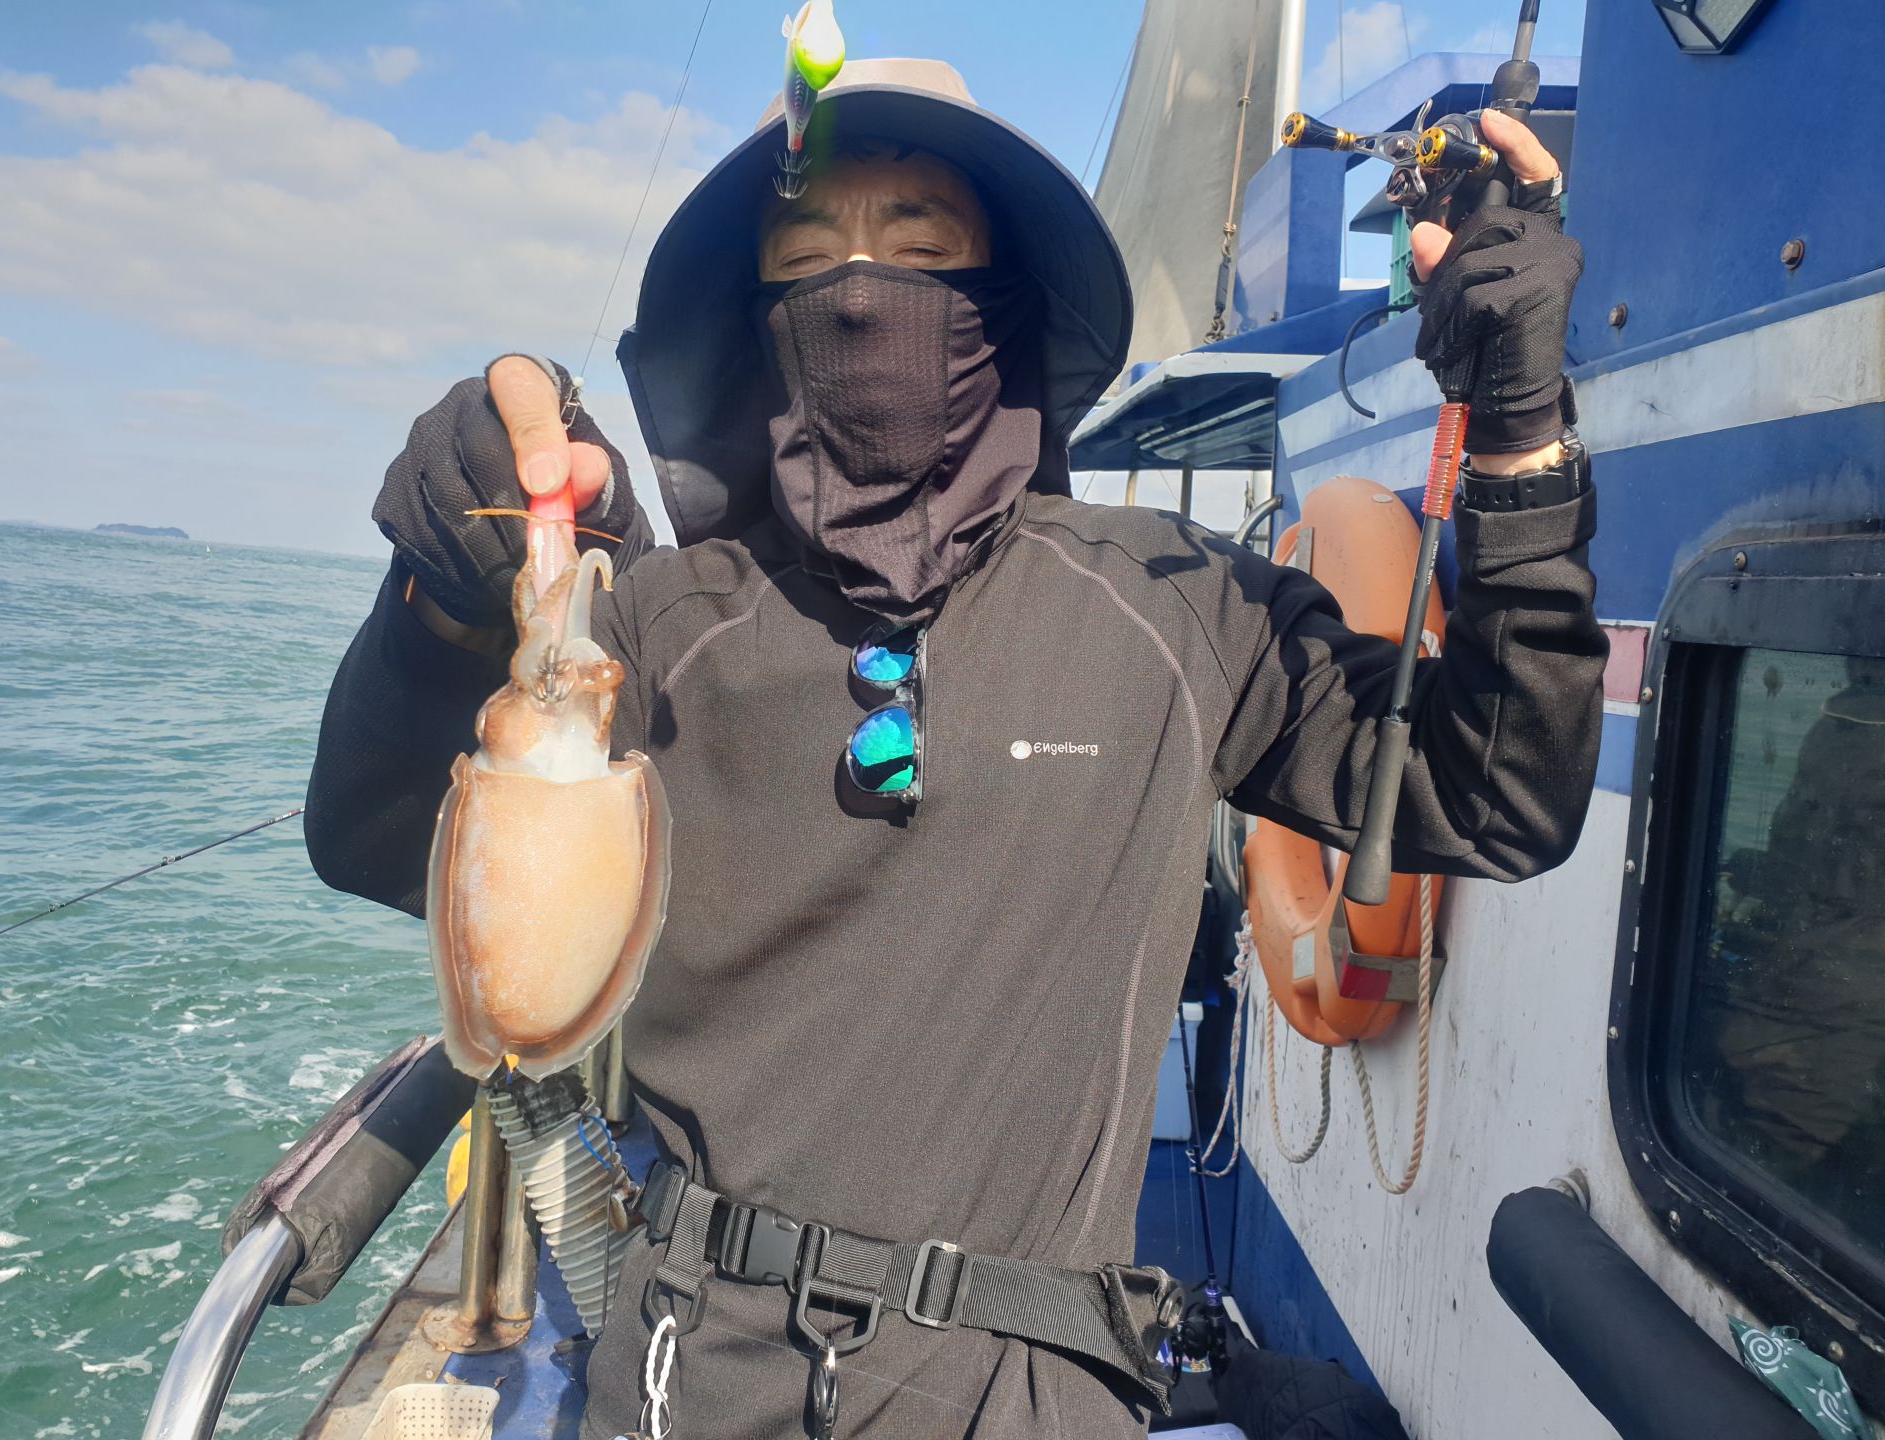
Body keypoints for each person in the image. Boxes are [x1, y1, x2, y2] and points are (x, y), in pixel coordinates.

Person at [307, 58, 1604, 1440]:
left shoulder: (1182, 608)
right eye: (807, 258)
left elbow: (1495, 795)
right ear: (757, 321)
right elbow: (382, 836)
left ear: (1008, 300)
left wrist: (1519, 436)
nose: (862, 292)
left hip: (1032, 1395)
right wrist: (445, 598)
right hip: (690, 1379)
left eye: (923, 250)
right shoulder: (656, 629)